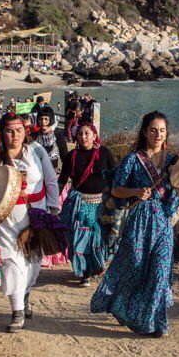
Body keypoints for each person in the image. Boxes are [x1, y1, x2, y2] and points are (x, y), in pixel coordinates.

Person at [90, 111, 179, 337]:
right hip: (139, 222)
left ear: (167, 133)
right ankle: (121, 305)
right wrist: (136, 191)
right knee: (134, 268)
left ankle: (154, 322)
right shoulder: (133, 160)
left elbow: (178, 194)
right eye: (153, 130)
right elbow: (116, 189)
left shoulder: (173, 161)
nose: (158, 134)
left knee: (160, 272)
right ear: (145, 132)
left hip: (163, 223)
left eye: (162, 130)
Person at [0, 113, 60, 332]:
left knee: (33, 265)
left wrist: (54, 208)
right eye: (9, 130)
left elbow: (50, 179)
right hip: (6, 219)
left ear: (25, 131)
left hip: (36, 215)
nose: (14, 135)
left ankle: (25, 295)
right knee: (12, 263)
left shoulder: (36, 150)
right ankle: (17, 311)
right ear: (2, 132)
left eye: (18, 130)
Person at [58, 123, 115, 287]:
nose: (83, 137)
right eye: (80, 134)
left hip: (101, 204)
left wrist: (117, 198)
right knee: (79, 238)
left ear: (94, 135)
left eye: (87, 133)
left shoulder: (105, 153)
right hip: (79, 203)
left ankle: (94, 267)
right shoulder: (71, 156)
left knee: (98, 239)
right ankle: (84, 273)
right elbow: (62, 180)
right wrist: (54, 201)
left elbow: (115, 176)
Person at [33, 106, 68, 170]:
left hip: (53, 177)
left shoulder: (59, 138)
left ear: (51, 119)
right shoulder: (32, 137)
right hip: (36, 175)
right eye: (41, 119)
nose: (43, 122)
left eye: (46, 119)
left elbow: (66, 161)